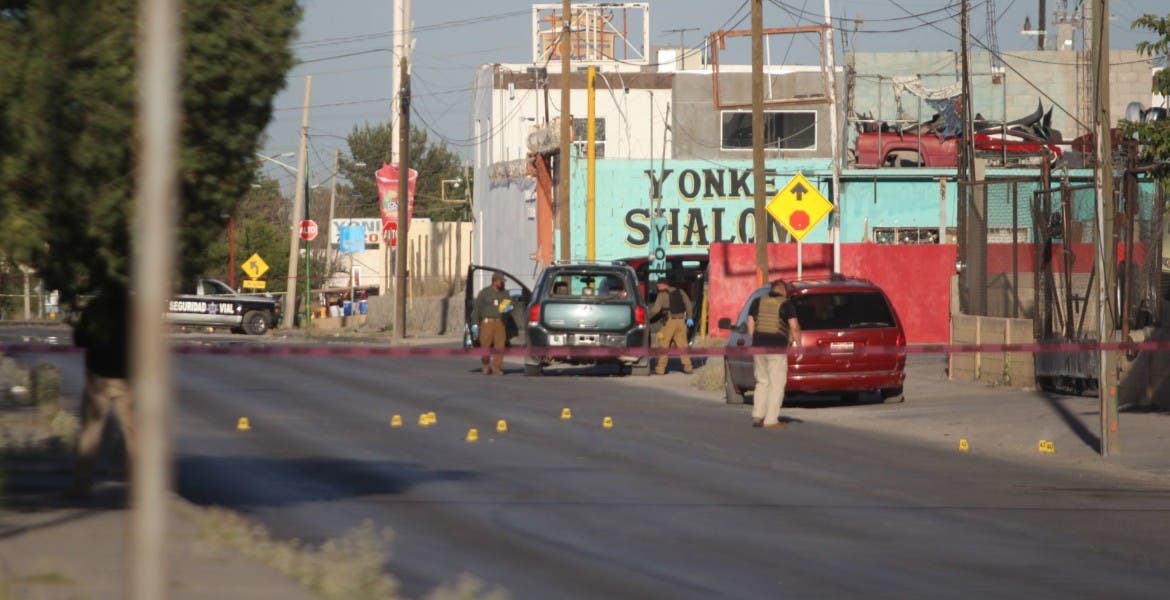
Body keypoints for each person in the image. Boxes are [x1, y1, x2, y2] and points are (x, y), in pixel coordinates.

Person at [71, 284, 133, 497]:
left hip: (98, 376)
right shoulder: (134, 308)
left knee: (90, 432)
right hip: (127, 378)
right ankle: (138, 489)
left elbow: (80, 339)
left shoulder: (95, 307)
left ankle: (81, 485)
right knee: (134, 436)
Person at [747, 280, 802, 429]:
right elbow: (794, 327)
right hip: (776, 349)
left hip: (758, 347)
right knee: (776, 384)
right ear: (783, 291)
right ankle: (771, 419)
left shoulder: (758, 301)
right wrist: (799, 346)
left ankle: (758, 415)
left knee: (762, 381)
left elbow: (750, 323)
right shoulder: (786, 304)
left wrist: (755, 341)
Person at [648, 278, 694, 375]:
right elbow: (689, 305)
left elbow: (655, 310)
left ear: (663, 284)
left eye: (658, 284)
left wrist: (646, 317)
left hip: (669, 322)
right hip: (681, 322)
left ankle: (660, 369)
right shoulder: (680, 291)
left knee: (664, 344)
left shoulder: (662, 294)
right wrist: (689, 317)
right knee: (683, 345)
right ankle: (688, 367)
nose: (657, 286)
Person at [471, 272, 513, 375]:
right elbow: (477, 309)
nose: (502, 283)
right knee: (485, 346)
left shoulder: (504, 293)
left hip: (500, 323)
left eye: (503, 282)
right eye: (500, 281)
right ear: (494, 281)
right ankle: (485, 365)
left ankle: (496, 368)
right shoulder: (485, 293)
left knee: (500, 347)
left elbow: (509, 303)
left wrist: (509, 307)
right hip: (487, 324)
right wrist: (475, 323)